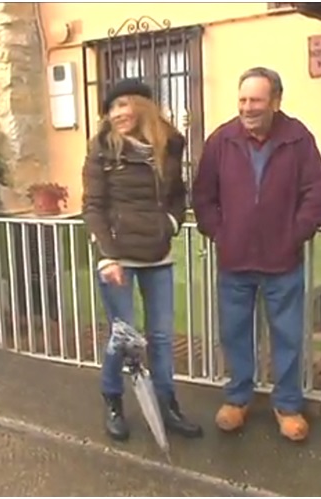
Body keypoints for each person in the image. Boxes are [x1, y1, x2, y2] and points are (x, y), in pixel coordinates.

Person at [192, 67, 321, 441]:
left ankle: (287, 406)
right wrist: (221, 233)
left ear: (275, 101)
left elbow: (318, 197)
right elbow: (203, 196)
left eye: (256, 100)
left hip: (282, 262)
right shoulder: (221, 140)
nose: (248, 107)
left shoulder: (297, 138)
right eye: (242, 100)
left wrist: (292, 236)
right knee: (235, 334)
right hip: (234, 262)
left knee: (288, 335)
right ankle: (238, 399)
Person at [82, 78, 203, 442]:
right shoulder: (102, 149)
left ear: (142, 105)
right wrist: (107, 255)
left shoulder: (168, 145)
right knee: (124, 336)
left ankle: (167, 405)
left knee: (162, 337)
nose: (118, 114)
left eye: (124, 105)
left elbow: (178, 195)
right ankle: (114, 401)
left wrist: (171, 223)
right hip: (118, 257)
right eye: (112, 108)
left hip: (158, 254)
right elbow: (93, 206)